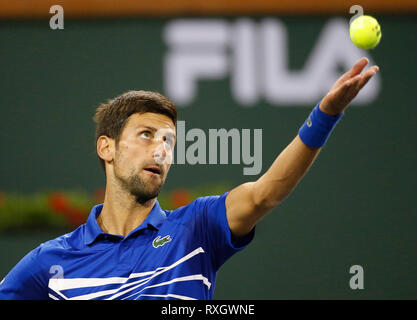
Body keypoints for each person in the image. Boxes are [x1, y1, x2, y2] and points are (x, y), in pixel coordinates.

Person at [0, 58, 378, 300]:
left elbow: (266, 194)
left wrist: (325, 115)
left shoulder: (197, 227)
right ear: (107, 148)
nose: (161, 150)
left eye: (169, 141)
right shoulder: (49, 263)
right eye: (146, 135)